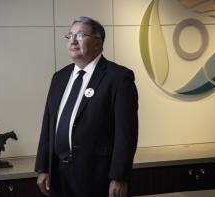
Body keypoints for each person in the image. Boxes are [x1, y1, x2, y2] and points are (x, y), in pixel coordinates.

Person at [35, 16, 138, 197]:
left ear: (98, 43)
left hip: (96, 176)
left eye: (80, 35)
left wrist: (119, 177)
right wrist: (43, 167)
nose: (73, 41)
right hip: (58, 175)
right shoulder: (59, 77)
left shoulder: (119, 78)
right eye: (70, 36)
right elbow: (48, 125)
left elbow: (126, 133)